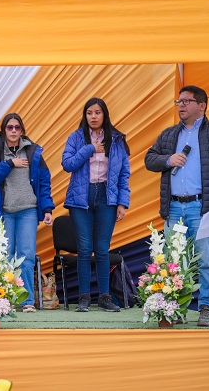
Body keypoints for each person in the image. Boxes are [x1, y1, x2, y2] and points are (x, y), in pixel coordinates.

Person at [145, 85, 209, 326]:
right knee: (173, 262)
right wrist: (168, 159)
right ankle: (176, 308)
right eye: (179, 101)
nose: (181, 105)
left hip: (203, 207)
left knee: (207, 259)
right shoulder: (169, 135)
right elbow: (149, 159)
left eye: (187, 101)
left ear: (202, 106)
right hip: (174, 207)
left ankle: (207, 307)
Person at [0, 113, 55, 313]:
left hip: (28, 210)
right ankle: (4, 300)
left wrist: (47, 208)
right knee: (4, 256)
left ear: (22, 130)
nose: (13, 131)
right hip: (3, 211)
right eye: (9, 127)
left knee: (26, 255)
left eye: (17, 127)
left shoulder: (33, 152)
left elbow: (44, 182)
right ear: (4, 130)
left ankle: (26, 300)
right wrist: (9, 164)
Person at [61, 97, 130, 313]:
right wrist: (89, 148)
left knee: (101, 249)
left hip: (107, 198)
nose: (93, 117)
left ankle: (104, 297)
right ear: (85, 115)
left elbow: (123, 174)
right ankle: (83, 297)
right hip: (81, 198)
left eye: (97, 112)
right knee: (84, 249)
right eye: (89, 113)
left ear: (104, 114)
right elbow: (67, 164)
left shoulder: (116, 139)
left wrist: (122, 203)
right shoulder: (76, 137)